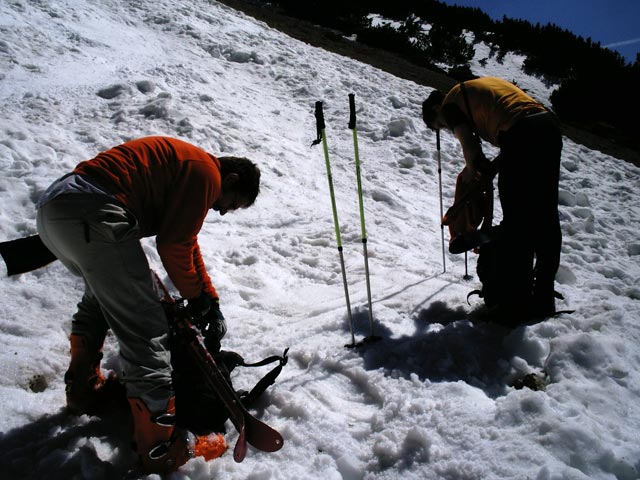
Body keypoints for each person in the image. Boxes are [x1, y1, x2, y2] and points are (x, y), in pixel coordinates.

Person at [35, 136, 261, 473]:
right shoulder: (206, 174)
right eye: (231, 202)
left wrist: (208, 296)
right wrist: (197, 298)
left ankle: (83, 388)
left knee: (101, 298)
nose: (223, 211)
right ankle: (160, 445)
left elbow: (186, 240)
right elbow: (174, 244)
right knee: (147, 326)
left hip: (58, 210)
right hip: (93, 213)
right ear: (230, 180)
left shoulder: (190, 165)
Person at [422, 77, 563, 324]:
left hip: (521, 133)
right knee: (545, 215)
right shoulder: (474, 88)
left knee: (517, 221)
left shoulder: (450, 106)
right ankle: (542, 297)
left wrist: (474, 168)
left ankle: (513, 303)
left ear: (436, 111)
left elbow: (471, 149)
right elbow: (509, 133)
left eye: (440, 127)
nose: (447, 130)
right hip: (547, 125)